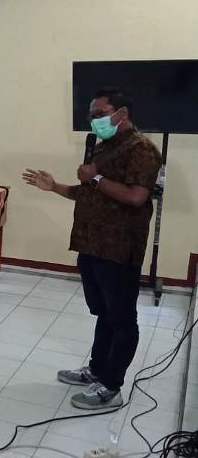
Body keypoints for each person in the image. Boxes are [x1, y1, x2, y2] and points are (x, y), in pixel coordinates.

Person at [23, 89, 161, 410]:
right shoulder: (104, 146)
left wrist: (95, 177)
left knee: (122, 318)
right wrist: (55, 187)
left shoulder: (141, 149)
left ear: (121, 114)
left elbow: (137, 196)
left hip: (119, 248)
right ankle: (97, 369)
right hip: (91, 244)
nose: (93, 120)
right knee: (104, 312)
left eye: (99, 113)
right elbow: (89, 192)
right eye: (91, 115)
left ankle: (111, 387)